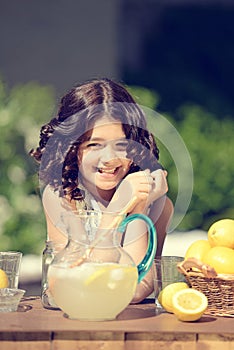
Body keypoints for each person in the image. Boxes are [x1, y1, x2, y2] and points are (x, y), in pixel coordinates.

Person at [30, 78, 173, 303]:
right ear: (71, 148)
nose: (109, 159)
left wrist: (140, 207)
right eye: (94, 145)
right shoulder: (63, 197)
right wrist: (118, 207)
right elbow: (82, 283)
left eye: (122, 145)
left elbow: (135, 289)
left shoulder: (158, 205)